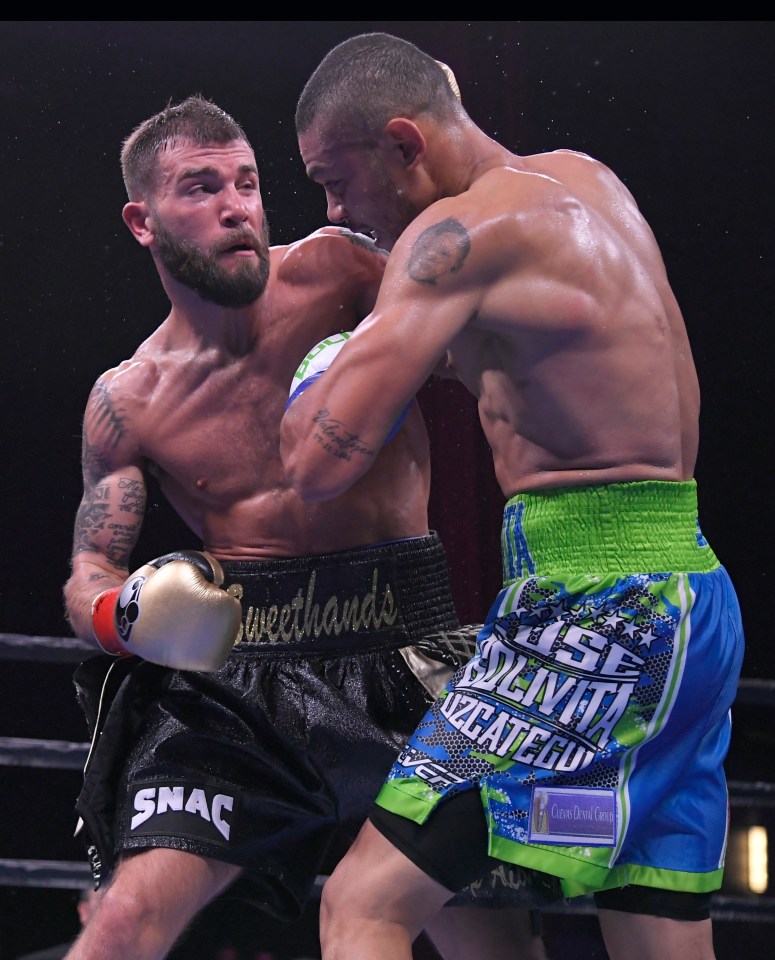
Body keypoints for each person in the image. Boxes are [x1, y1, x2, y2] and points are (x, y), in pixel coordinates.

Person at [280, 31, 746, 960]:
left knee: (362, 905)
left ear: (404, 144)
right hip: (690, 606)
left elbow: (315, 465)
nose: (333, 209)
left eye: (335, 177)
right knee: (648, 917)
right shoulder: (584, 182)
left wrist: (322, 361)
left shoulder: (453, 239)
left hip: (593, 613)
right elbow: (534, 367)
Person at [60, 94, 558, 960]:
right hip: (245, 681)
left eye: (247, 183)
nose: (236, 206)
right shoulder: (127, 399)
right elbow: (87, 571)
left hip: (412, 648)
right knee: (121, 926)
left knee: (494, 946)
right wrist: (124, 615)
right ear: (143, 221)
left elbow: (477, 334)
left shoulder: (339, 274)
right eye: (201, 186)